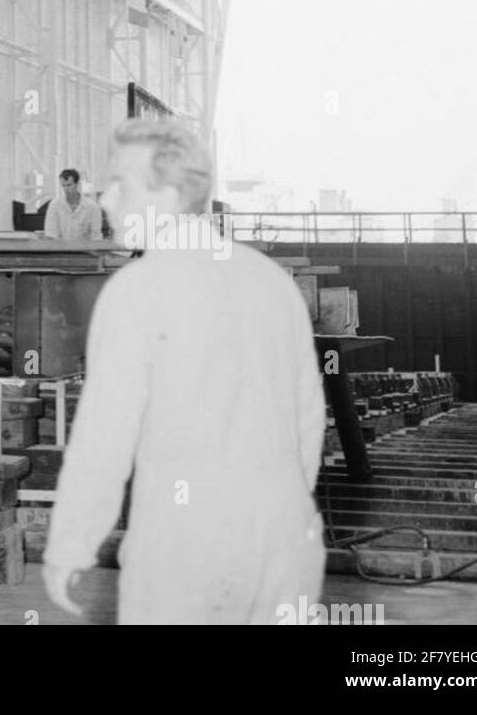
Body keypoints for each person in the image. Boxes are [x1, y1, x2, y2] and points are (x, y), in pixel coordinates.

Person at [43, 119, 325, 625]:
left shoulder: (137, 290)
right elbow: (308, 422)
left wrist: (70, 545)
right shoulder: (272, 282)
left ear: (168, 195)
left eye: (120, 185)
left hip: (187, 547)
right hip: (287, 539)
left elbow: (104, 440)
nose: (105, 200)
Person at [42, 168, 106, 242]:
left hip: (86, 251)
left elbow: (96, 236)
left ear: (77, 184)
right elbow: (51, 235)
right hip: (60, 251)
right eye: (63, 185)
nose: (66, 189)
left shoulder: (92, 207)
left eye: (69, 185)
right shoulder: (54, 205)